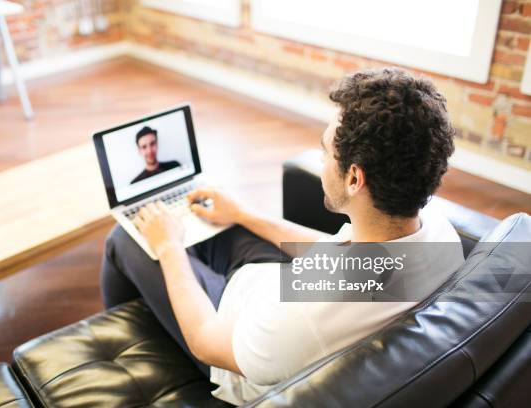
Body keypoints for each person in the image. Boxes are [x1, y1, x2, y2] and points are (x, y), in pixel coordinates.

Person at [100, 68, 465, 405]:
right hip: (275, 291)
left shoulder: (303, 315)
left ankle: (123, 337)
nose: (322, 161)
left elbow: (205, 341)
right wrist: (244, 214)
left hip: (236, 332)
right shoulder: (438, 234)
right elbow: (343, 259)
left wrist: (168, 247)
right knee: (217, 223)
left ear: (354, 179)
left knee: (126, 237)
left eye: (325, 152)